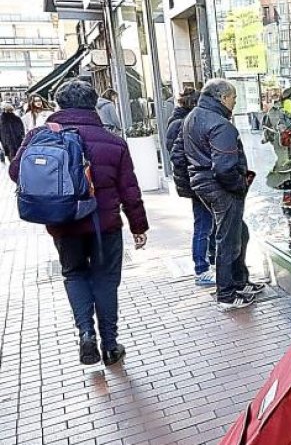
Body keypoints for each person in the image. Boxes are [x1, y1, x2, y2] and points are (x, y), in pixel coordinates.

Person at [8, 80, 148, 366]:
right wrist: (138, 226)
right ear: (93, 104)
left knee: (74, 275)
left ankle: (85, 333)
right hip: (104, 226)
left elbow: (15, 172)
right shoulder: (113, 142)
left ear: (59, 105)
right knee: (105, 281)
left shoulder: (39, 135)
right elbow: (129, 190)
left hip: (63, 222)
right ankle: (110, 345)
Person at [177, 78, 262, 310]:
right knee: (228, 239)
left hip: (203, 184)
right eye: (234, 98)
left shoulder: (192, 116)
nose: (235, 102)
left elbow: (178, 155)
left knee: (238, 232)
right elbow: (224, 167)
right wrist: (238, 185)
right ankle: (226, 294)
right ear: (223, 98)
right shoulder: (220, 124)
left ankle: (238, 281)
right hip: (219, 187)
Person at [165, 88, 215, 287]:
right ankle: (201, 269)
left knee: (205, 222)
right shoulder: (184, 123)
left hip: (193, 181)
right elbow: (178, 155)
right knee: (203, 224)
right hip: (196, 182)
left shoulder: (178, 121)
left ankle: (207, 264)